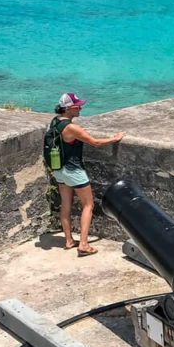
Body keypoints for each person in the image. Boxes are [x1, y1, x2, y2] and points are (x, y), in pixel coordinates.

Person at [47, 92, 124, 256]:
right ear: (68, 108)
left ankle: (68, 240)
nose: (80, 107)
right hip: (74, 170)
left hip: (58, 169)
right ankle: (83, 244)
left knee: (65, 204)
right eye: (77, 106)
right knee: (88, 205)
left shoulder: (54, 123)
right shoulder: (72, 128)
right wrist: (114, 138)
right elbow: (95, 142)